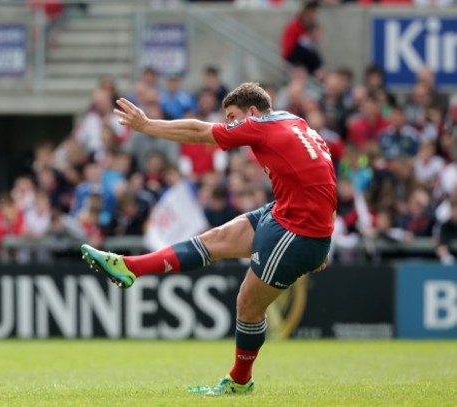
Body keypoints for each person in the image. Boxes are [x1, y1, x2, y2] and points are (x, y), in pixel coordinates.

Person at [80, 83, 336, 395]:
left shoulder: (259, 126)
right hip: (290, 214)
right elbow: (325, 176)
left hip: (298, 230)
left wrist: (147, 125)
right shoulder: (294, 122)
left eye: (232, 117)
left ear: (252, 112)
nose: (229, 125)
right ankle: (130, 266)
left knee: (247, 304)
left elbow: (200, 132)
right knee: (215, 240)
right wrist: (327, 234)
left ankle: (240, 381)